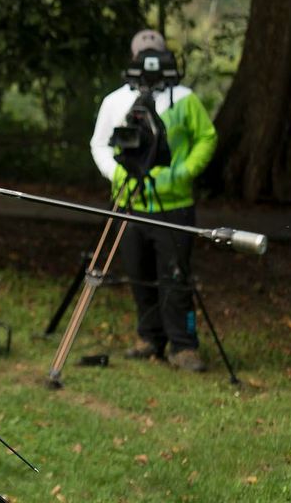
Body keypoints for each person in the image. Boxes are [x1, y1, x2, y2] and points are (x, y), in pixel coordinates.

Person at [90, 29, 217, 373]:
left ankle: (183, 346)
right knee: (138, 273)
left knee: (175, 277)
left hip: (174, 205)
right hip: (130, 201)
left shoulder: (184, 98)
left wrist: (184, 172)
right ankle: (149, 338)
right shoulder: (115, 101)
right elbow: (99, 144)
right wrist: (116, 174)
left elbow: (207, 137)